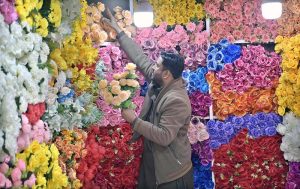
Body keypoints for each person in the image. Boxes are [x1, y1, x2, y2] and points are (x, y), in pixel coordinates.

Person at [101, 9, 194, 189]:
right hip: (155, 165)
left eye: (157, 67)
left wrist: (134, 120)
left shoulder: (177, 100)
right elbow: (140, 58)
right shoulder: (161, 80)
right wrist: (119, 32)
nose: (153, 68)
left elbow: (164, 136)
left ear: (166, 74)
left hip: (171, 174)